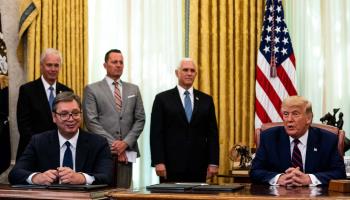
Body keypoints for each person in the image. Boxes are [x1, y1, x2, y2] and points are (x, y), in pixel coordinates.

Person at [9, 92, 113, 185]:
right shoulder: (39, 142)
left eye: (75, 113)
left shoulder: (98, 143)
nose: (71, 119)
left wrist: (81, 178)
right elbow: (15, 174)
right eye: (64, 114)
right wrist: (37, 178)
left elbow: (107, 176)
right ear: (54, 117)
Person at [250, 96, 346, 186]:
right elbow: (255, 171)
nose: (289, 119)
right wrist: (279, 178)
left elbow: (339, 173)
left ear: (308, 118)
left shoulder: (328, 139)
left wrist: (309, 179)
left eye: (295, 114)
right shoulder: (269, 137)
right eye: (286, 114)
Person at [150, 58, 219, 183]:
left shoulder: (206, 100)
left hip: (198, 166)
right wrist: (158, 161)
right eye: (185, 70)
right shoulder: (162, 99)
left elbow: (212, 134)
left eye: (192, 71)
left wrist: (213, 162)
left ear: (196, 74)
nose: (189, 73)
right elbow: (156, 134)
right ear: (177, 73)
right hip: (171, 166)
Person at [83, 49, 145, 188]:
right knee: (102, 191)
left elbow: (140, 119)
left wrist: (125, 143)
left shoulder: (133, 89)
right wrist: (116, 145)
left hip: (127, 153)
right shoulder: (92, 89)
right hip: (102, 150)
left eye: (121, 62)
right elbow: (91, 121)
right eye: (114, 62)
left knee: (123, 191)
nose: (118, 65)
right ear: (105, 65)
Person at [16, 48, 72, 160]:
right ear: (41, 66)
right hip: (33, 151)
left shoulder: (67, 91)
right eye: (49, 65)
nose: (53, 69)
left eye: (56, 65)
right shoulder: (27, 90)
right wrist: (43, 146)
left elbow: (70, 122)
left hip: (60, 152)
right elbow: (24, 127)